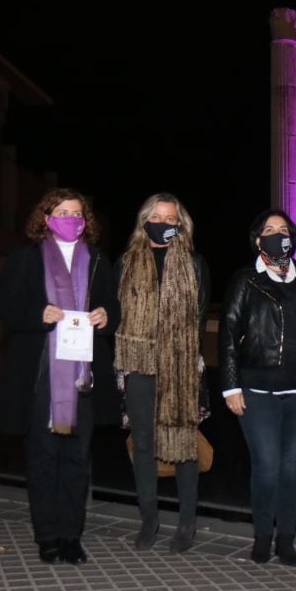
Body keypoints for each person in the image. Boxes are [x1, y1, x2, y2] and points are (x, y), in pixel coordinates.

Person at [0, 188, 119, 566]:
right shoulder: (23, 260)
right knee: (44, 459)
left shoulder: (98, 261)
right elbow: (8, 310)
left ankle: (71, 536)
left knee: (77, 461)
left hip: (84, 378)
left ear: (86, 221)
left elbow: (114, 308)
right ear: (46, 218)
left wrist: (105, 317)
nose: (70, 218)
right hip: (40, 379)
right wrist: (38, 313)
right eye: (62, 212)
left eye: (77, 213)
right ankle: (47, 536)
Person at [219, 210, 296, 566]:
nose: (278, 235)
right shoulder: (245, 279)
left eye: (284, 230)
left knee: (291, 465)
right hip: (256, 389)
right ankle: (262, 536)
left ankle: (286, 538)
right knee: (266, 466)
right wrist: (230, 386)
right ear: (257, 240)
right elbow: (229, 335)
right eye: (269, 230)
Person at [114, 193, 209, 552]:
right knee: (144, 445)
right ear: (144, 221)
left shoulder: (195, 264)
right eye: (157, 217)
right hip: (138, 366)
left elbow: (199, 321)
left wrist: (183, 359)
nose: (164, 224)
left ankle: (187, 523)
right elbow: (116, 313)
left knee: (184, 441)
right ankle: (149, 519)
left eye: (171, 220)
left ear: (180, 226)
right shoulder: (125, 263)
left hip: (181, 366)